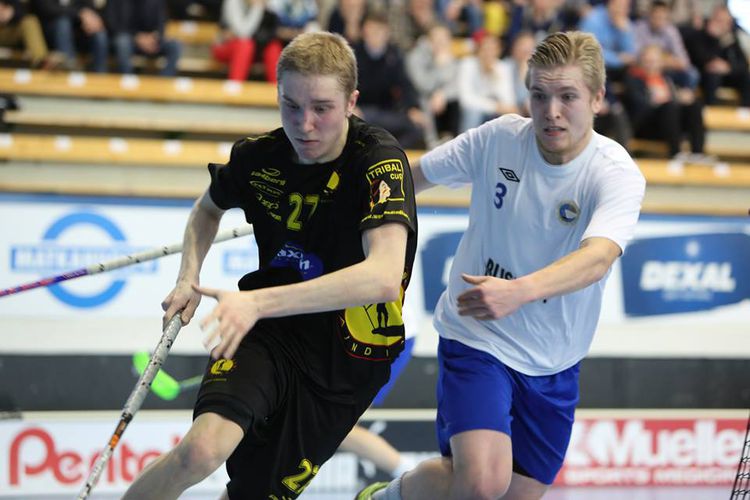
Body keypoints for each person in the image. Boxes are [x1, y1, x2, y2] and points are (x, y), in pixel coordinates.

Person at [122, 31, 417, 500]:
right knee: (200, 452)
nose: (304, 124)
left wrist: (256, 302)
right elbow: (206, 210)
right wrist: (188, 278)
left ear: (351, 102)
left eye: (321, 108)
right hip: (269, 332)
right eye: (290, 105)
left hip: (345, 361)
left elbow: (382, 278)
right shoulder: (258, 157)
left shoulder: (379, 161)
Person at [357, 30, 645, 500]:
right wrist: (338, 205)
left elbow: (598, 257)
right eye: (539, 95)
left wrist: (518, 291)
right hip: (477, 335)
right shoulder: (499, 138)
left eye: (567, 96)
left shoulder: (614, 173)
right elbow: (409, 177)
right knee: (482, 482)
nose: (551, 111)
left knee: (515, 493)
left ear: (597, 99)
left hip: (554, 359)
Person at [623, 44, 706, 160]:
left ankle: (698, 153)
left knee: (694, 105)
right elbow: (638, 106)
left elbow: (686, 75)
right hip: (646, 125)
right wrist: (655, 99)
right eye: (647, 61)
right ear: (640, 62)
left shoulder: (666, 78)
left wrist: (680, 97)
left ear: (661, 63)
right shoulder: (633, 78)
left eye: (654, 61)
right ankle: (676, 153)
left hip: (669, 123)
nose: (651, 65)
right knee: (669, 106)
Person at [104, 0, 182, 76]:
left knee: (175, 45)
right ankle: (128, 79)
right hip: (129, 39)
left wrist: (154, 36)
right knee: (122, 42)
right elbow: (113, 24)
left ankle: (164, 80)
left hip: (151, 39)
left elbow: (161, 22)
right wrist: (136, 37)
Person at [212, 0, 281, 82]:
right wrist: (257, 8)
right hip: (226, 47)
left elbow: (272, 31)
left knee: (273, 47)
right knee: (245, 44)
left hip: (256, 46)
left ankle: (277, 87)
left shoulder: (268, 4)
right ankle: (235, 85)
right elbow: (243, 33)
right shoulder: (233, 2)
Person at [30, 0, 109, 72]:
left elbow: (89, 9)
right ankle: (70, 67)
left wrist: (89, 19)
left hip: (77, 30)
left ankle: (100, 73)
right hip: (48, 30)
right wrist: (79, 13)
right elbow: (47, 9)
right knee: (63, 23)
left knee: (99, 32)